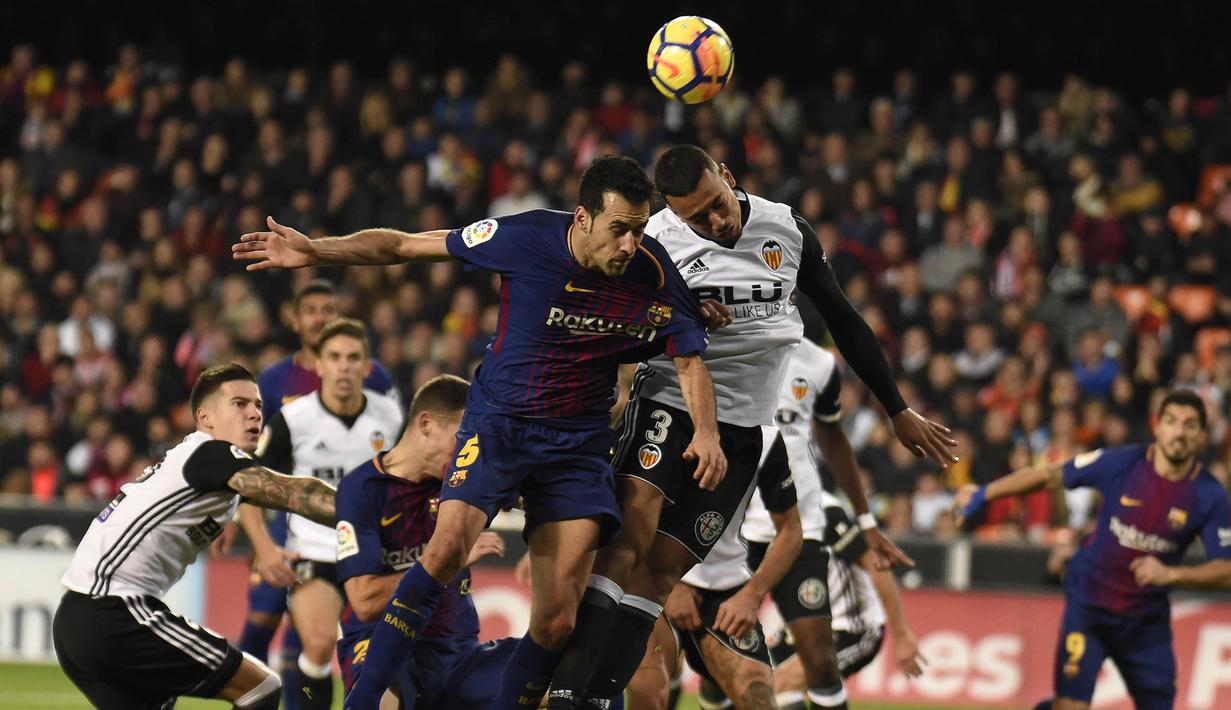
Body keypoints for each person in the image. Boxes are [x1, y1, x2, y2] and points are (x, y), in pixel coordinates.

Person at [233, 154, 727, 710]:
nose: (629, 245)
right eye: (619, 229)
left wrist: (705, 434)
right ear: (583, 218)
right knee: (445, 549)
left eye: (639, 230)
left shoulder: (655, 274)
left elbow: (690, 359)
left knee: (557, 619)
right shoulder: (524, 237)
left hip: (577, 447)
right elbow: (403, 245)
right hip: (500, 426)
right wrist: (318, 250)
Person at [548, 145, 953, 709]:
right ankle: (566, 691)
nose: (716, 223)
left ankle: (593, 696)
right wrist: (679, 312)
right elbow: (613, 317)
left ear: (728, 177)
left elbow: (843, 317)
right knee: (629, 544)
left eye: (717, 205)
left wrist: (896, 408)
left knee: (661, 573)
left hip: (746, 428)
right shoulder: (655, 239)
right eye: (697, 218)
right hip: (671, 402)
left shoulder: (787, 230)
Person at [53, 363, 337, 710]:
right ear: (205, 417)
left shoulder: (198, 463)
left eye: (258, 405)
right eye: (239, 404)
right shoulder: (211, 453)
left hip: (75, 621)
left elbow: (240, 493)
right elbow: (291, 492)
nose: (254, 414)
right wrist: (363, 507)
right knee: (260, 687)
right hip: (114, 611)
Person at [954, 389, 1231, 710]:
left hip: (1146, 624)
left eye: (1190, 425)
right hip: (1090, 607)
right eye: (1171, 422)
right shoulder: (1121, 463)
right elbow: (1049, 475)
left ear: (1202, 435)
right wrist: (985, 493)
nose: (1179, 432)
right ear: (1157, 426)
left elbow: (1226, 570)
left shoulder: (1210, 495)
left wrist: (1171, 573)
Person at [230, 278, 398, 710]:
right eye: (334, 358)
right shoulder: (292, 419)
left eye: (352, 359)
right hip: (313, 553)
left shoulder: (391, 416)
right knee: (320, 642)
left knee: (387, 664)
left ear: (366, 368)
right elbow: (251, 486)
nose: (343, 367)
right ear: (318, 365)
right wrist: (264, 548)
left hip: (375, 554)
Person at [336, 374, 513, 708]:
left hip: (459, 653)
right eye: (463, 437)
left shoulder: (464, 483)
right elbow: (365, 601)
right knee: (382, 703)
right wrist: (447, 559)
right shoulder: (364, 489)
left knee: (574, 678)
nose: (469, 450)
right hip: (380, 643)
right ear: (426, 424)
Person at [647, 425, 804, 710]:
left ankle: (712, 692)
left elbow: (791, 532)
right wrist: (674, 582)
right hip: (651, 580)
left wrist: (751, 595)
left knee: (759, 699)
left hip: (723, 590)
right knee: (649, 693)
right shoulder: (665, 417)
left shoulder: (767, 439)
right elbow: (633, 510)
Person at [767, 487, 925, 708]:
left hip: (852, 626)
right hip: (809, 621)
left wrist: (901, 635)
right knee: (757, 675)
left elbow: (877, 565)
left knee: (784, 683)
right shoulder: (766, 508)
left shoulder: (825, 511)